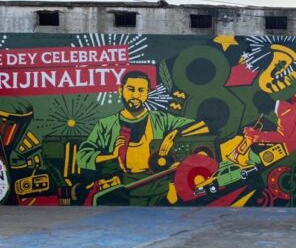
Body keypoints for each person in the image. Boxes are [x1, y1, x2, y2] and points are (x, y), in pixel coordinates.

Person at [78, 70, 204, 205]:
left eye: (141, 90)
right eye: (131, 89)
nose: (135, 95)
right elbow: (82, 156)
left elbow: (201, 125)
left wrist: (176, 132)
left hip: (160, 185)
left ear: (147, 93)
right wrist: (112, 156)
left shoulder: (161, 119)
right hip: (124, 188)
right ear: (120, 90)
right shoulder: (106, 124)